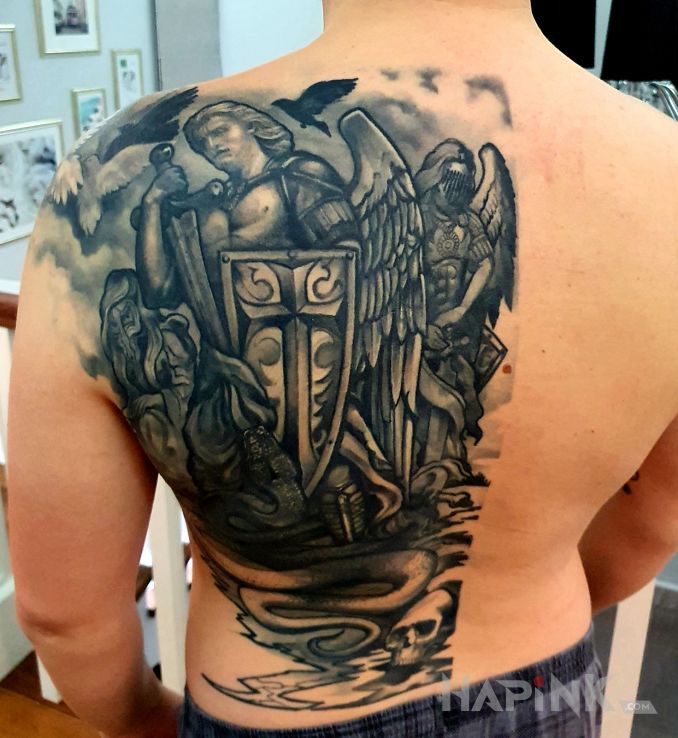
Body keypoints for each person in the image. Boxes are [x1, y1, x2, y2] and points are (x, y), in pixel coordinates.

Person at [7, 1, 678, 737]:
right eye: (209, 143)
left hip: (267, 705)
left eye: (224, 136)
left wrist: (142, 720)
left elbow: (64, 614)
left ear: (257, 130)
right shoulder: (663, 166)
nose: (216, 147)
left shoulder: (108, 168)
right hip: (543, 694)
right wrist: (529, 590)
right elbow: (656, 517)